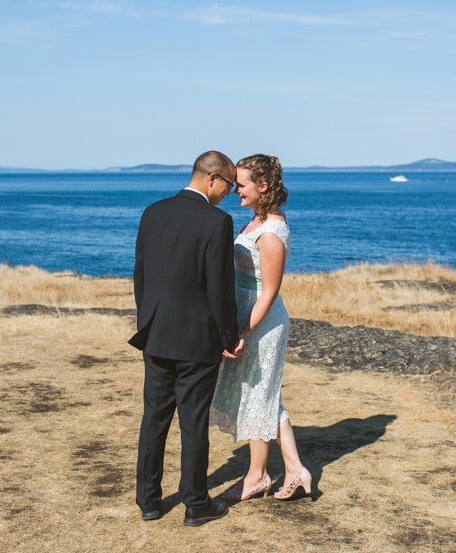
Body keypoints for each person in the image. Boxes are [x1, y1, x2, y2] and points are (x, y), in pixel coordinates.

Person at [129, 150, 239, 527]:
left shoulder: (152, 213)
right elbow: (219, 289)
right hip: (197, 341)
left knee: (154, 418)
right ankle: (195, 503)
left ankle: (148, 501)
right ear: (212, 178)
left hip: (156, 334)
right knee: (193, 423)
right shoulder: (217, 221)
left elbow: (140, 275)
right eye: (229, 184)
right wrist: (229, 335)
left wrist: (148, 321)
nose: (230, 192)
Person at [211, 154, 312, 502]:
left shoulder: (271, 232)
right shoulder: (257, 219)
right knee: (267, 396)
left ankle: (257, 476)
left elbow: (269, 291)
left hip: (261, 322)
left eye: (240, 184)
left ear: (263, 186)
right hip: (244, 313)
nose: (234, 189)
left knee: (259, 395)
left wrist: (243, 331)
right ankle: (296, 470)